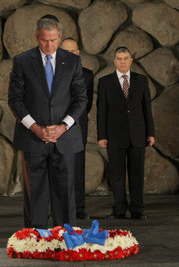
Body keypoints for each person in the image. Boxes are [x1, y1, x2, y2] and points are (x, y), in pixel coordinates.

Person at [8, 15, 87, 229]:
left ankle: (66, 237)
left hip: (65, 139)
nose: (49, 45)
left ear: (60, 37)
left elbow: (81, 98)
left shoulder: (72, 61)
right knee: (35, 194)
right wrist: (35, 128)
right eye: (44, 40)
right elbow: (15, 100)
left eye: (53, 40)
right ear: (36, 37)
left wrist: (63, 127)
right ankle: (35, 241)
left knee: (65, 194)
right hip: (33, 139)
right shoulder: (22, 61)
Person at [96, 47, 155, 220]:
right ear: (114, 61)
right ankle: (119, 209)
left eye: (125, 58)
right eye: (119, 58)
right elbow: (101, 111)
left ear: (131, 60)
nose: (122, 61)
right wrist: (101, 135)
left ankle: (137, 209)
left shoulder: (141, 81)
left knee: (137, 173)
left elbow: (147, 109)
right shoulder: (105, 82)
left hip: (137, 134)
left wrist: (150, 133)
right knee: (117, 175)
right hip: (115, 136)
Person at [60, 38, 94, 220]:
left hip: (79, 127)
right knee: (59, 167)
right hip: (58, 127)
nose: (70, 55)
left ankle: (78, 208)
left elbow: (86, 104)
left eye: (73, 52)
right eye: (66, 51)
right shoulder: (53, 73)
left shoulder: (88, 74)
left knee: (78, 167)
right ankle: (59, 207)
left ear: (78, 53)